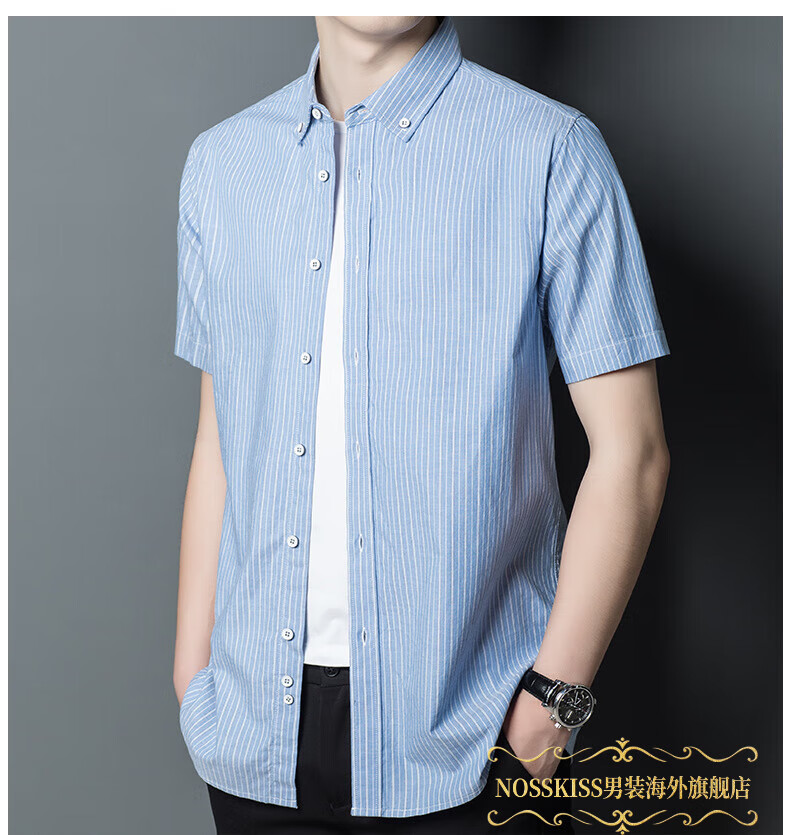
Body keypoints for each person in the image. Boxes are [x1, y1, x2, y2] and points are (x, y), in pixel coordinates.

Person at [172, 15, 670, 834]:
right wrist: (194, 673)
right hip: (254, 736)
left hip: (476, 739)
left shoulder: (549, 149)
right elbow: (221, 438)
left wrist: (554, 706)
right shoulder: (222, 165)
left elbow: (634, 452)